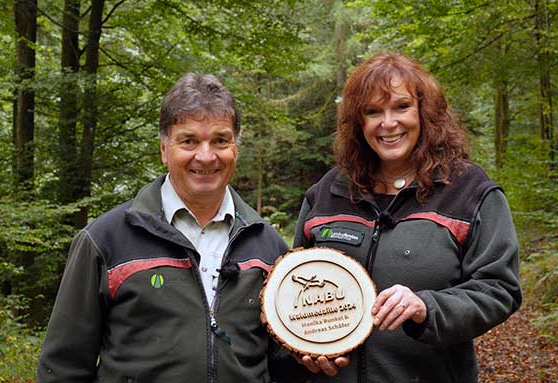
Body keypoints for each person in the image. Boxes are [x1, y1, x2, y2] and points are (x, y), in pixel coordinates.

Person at [283, 53, 521, 382]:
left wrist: (427, 308)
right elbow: (293, 294)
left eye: (401, 107)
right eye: (373, 111)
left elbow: (499, 290)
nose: (388, 123)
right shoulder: (328, 191)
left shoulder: (469, 191)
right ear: (358, 122)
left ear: (424, 113)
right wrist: (302, 347)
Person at [36, 73, 289, 382]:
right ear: (164, 149)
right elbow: (63, 367)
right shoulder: (105, 240)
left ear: (236, 147)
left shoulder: (269, 247)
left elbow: (284, 363)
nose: (206, 156)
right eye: (189, 141)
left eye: (220, 140)